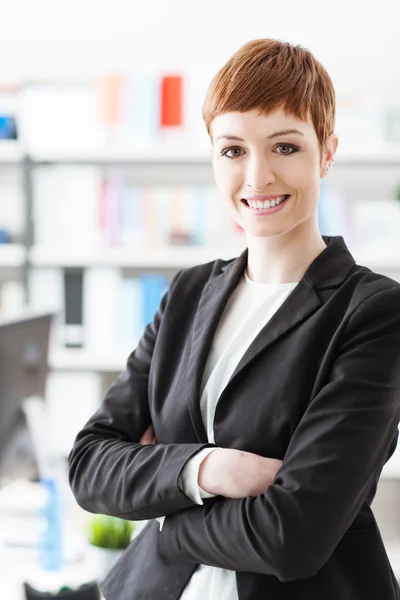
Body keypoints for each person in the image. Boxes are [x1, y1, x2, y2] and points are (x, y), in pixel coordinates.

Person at [68, 38, 400, 599]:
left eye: (285, 147)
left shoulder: (373, 314)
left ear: (327, 151)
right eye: (233, 150)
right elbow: (90, 464)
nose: (258, 177)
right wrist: (204, 469)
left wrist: (168, 526)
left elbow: (291, 534)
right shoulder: (189, 293)